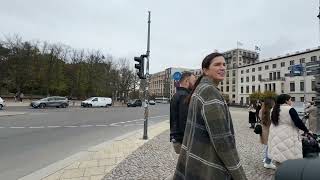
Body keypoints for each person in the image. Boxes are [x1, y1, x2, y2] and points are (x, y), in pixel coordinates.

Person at [173, 53, 247, 180]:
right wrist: (240, 175)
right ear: (205, 70)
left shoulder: (200, 89)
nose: (223, 67)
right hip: (210, 166)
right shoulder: (210, 93)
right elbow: (222, 140)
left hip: (197, 159)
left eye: (224, 64)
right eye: (217, 64)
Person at [268, 94, 311, 164]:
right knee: (289, 155)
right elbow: (298, 122)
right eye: (290, 100)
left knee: (279, 155)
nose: (291, 102)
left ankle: (280, 172)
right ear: (286, 101)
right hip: (288, 134)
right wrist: (307, 130)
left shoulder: (273, 109)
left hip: (275, 133)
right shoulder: (290, 109)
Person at [170, 71, 196, 154]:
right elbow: (185, 120)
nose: (195, 84)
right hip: (183, 140)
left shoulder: (176, 94)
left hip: (177, 138)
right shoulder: (184, 96)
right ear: (186, 81)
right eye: (194, 81)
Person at [259, 98, 276, 169]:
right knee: (270, 147)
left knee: (267, 146)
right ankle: (268, 162)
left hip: (264, 130)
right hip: (270, 130)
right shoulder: (272, 111)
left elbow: (260, 118)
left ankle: (266, 159)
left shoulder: (261, 110)